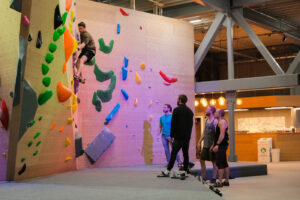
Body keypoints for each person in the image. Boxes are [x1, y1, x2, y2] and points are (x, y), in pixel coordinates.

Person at [157, 94, 194, 177]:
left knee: (173, 153)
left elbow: (173, 125)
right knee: (185, 154)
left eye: (178, 99)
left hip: (178, 137)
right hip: (186, 138)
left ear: (180, 100)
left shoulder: (176, 110)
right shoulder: (190, 111)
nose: (177, 100)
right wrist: (188, 136)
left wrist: (171, 136)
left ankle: (167, 171)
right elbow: (191, 125)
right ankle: (184, 171)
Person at [197, 106, 218, 184]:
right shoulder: (206, 120)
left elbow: (217, 135)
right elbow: (204, 133)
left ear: (211, 111)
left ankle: (214, 178)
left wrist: (213, 145)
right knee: (201, 160)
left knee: (214, 162)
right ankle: (203, 177)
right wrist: (199, 142)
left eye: (207, 109)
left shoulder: (215, 121)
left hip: (211, 145)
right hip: (205, 145)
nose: (205, 110)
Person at [213, 109, 230, 187]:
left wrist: (217, 144)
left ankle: (220, 182)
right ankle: (226, 181)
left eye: (216, 112)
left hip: (221, 145)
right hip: (222, 145)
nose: (214, 113)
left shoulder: (222, 122)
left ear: (220, 114)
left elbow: (222, 135)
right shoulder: (220, 122)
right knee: (224, 163)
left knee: (220, 163)